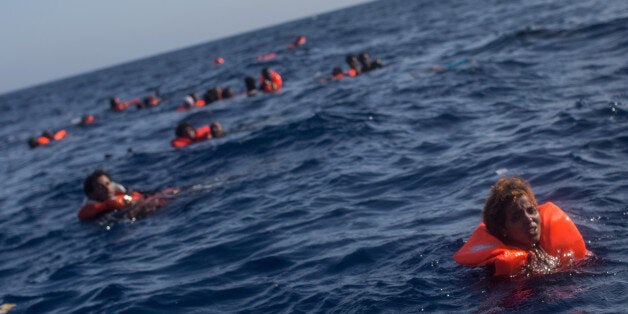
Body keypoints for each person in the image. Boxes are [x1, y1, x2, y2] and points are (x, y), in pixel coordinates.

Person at [453, 176, 591, 277]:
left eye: (531, 211)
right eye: (516, 218)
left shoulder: (542, 246)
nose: (528, 219)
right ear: (503, 230)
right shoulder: (502, 267)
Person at [78, 170, 151, 220]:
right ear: (92, 195)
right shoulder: (95, 213)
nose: (107, 188)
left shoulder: (128, 194)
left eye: (108, 184)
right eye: (100, 187)